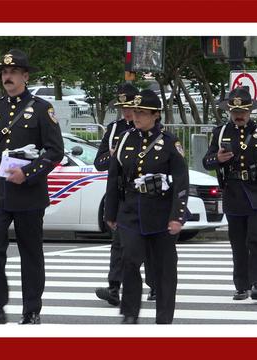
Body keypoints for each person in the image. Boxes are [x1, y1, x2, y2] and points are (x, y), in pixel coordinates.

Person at [0, 49, 64, 325]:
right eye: (4, 72)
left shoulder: (40, 108)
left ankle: (31, 310)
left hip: (29, 192)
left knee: (31, 253)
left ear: (25, 76)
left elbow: (55, 151)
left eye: (13, 72)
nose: (7, 77)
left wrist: (28, 172)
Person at [104, 89, 189, 324]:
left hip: (161, 213)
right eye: (135, 111)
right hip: (131, 212)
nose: (136, 115)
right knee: (130, 260)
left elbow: (182, 182)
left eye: (141, 112)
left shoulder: (170, 142)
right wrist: (110, 212)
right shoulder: (124, 140)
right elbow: (114, 179)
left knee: (164, 270)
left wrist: (177, 216)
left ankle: (163, 319)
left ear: (155, 115)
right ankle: (130, 314)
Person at [202, 87, 257, 301]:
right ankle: (241, 285)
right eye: (234, 111)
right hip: (233, 193)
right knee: (237, 242)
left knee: (256, 239)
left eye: (243, 111)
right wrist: (218, 159)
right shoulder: (220, 132)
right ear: (229, 111)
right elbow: (207, 161)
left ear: (250, 111)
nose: (239, 115)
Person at [93, 83, 157, 307]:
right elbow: (99, 162)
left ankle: (155, 285)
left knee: (150, 242)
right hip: (123, 194)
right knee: (119, 243)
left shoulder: (152, 129)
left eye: (130, 107)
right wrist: (112, 155)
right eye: (123, 108)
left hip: (148, 194)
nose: (127, 112)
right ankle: (114, 287)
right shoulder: (113, 130)